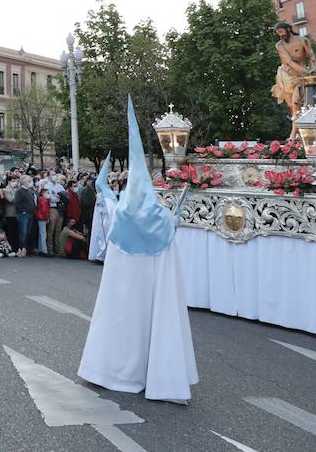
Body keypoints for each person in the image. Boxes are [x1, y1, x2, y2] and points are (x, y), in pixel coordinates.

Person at [79, 98, 196, 404]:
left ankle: (111, 372)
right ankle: (156, 373)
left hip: (122, 293)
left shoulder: (121, 216)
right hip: (151, 289)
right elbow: (170, 236)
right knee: (152, 323)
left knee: (119, 323)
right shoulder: (160, 219)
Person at [88, 156, 117, 264]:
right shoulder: (103, 194)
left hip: (106, 221)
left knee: (103, 237)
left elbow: (109, 209)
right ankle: (100, 255)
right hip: (102, 220)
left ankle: (103, 255)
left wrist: (101, 208)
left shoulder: (106, 195)